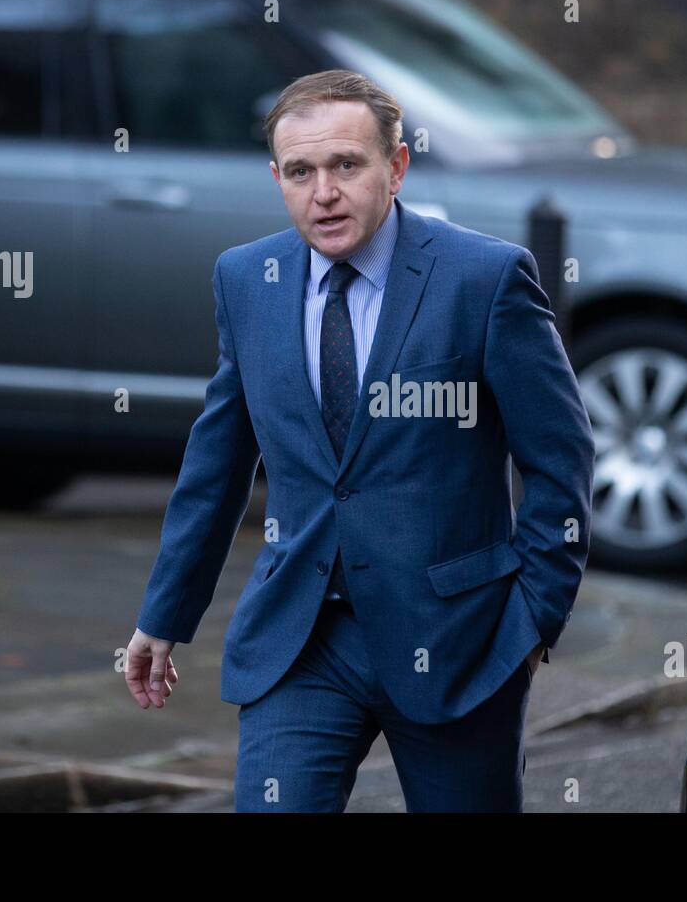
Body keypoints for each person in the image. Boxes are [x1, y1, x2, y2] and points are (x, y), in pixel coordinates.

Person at [124, 69, 593, 812]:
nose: (325, 193)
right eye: (302, 172)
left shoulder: (485, 279)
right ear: (277, 177)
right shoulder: (247, 279)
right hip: (300, 642)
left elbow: (560, 458)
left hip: (458, 643)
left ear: (396, 167)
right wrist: (164, 612)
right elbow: (217, 463)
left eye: (347, 164)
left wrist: (533, 621)